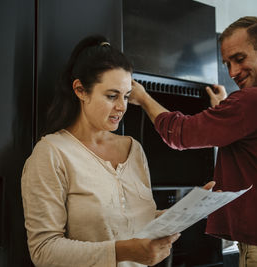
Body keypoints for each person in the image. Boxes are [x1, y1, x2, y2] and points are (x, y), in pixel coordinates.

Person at [129, 16, 257, 266]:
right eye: (227, 63)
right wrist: (224, 109)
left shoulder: (256, 101)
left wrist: (143, 97)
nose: (232, 72)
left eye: (240, 59)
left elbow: (180, 133)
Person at [21, 34, 215, 267]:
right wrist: (123, 251)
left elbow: (130, 221)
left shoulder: (134, 149)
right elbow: (44, 251)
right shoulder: (52, 154)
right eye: (111, 96)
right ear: (81, 90)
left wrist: (187, 210)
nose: (122, 107)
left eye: (125, 96)